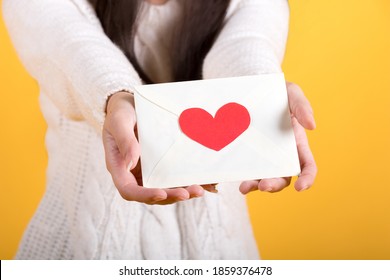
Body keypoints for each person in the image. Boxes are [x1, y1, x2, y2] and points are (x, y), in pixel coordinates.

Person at [3, 0, 317, 259]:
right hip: (81, 243)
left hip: (220, 247)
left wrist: (262, 97)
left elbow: (247, 42)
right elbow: (71, 44)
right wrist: (116, 97)